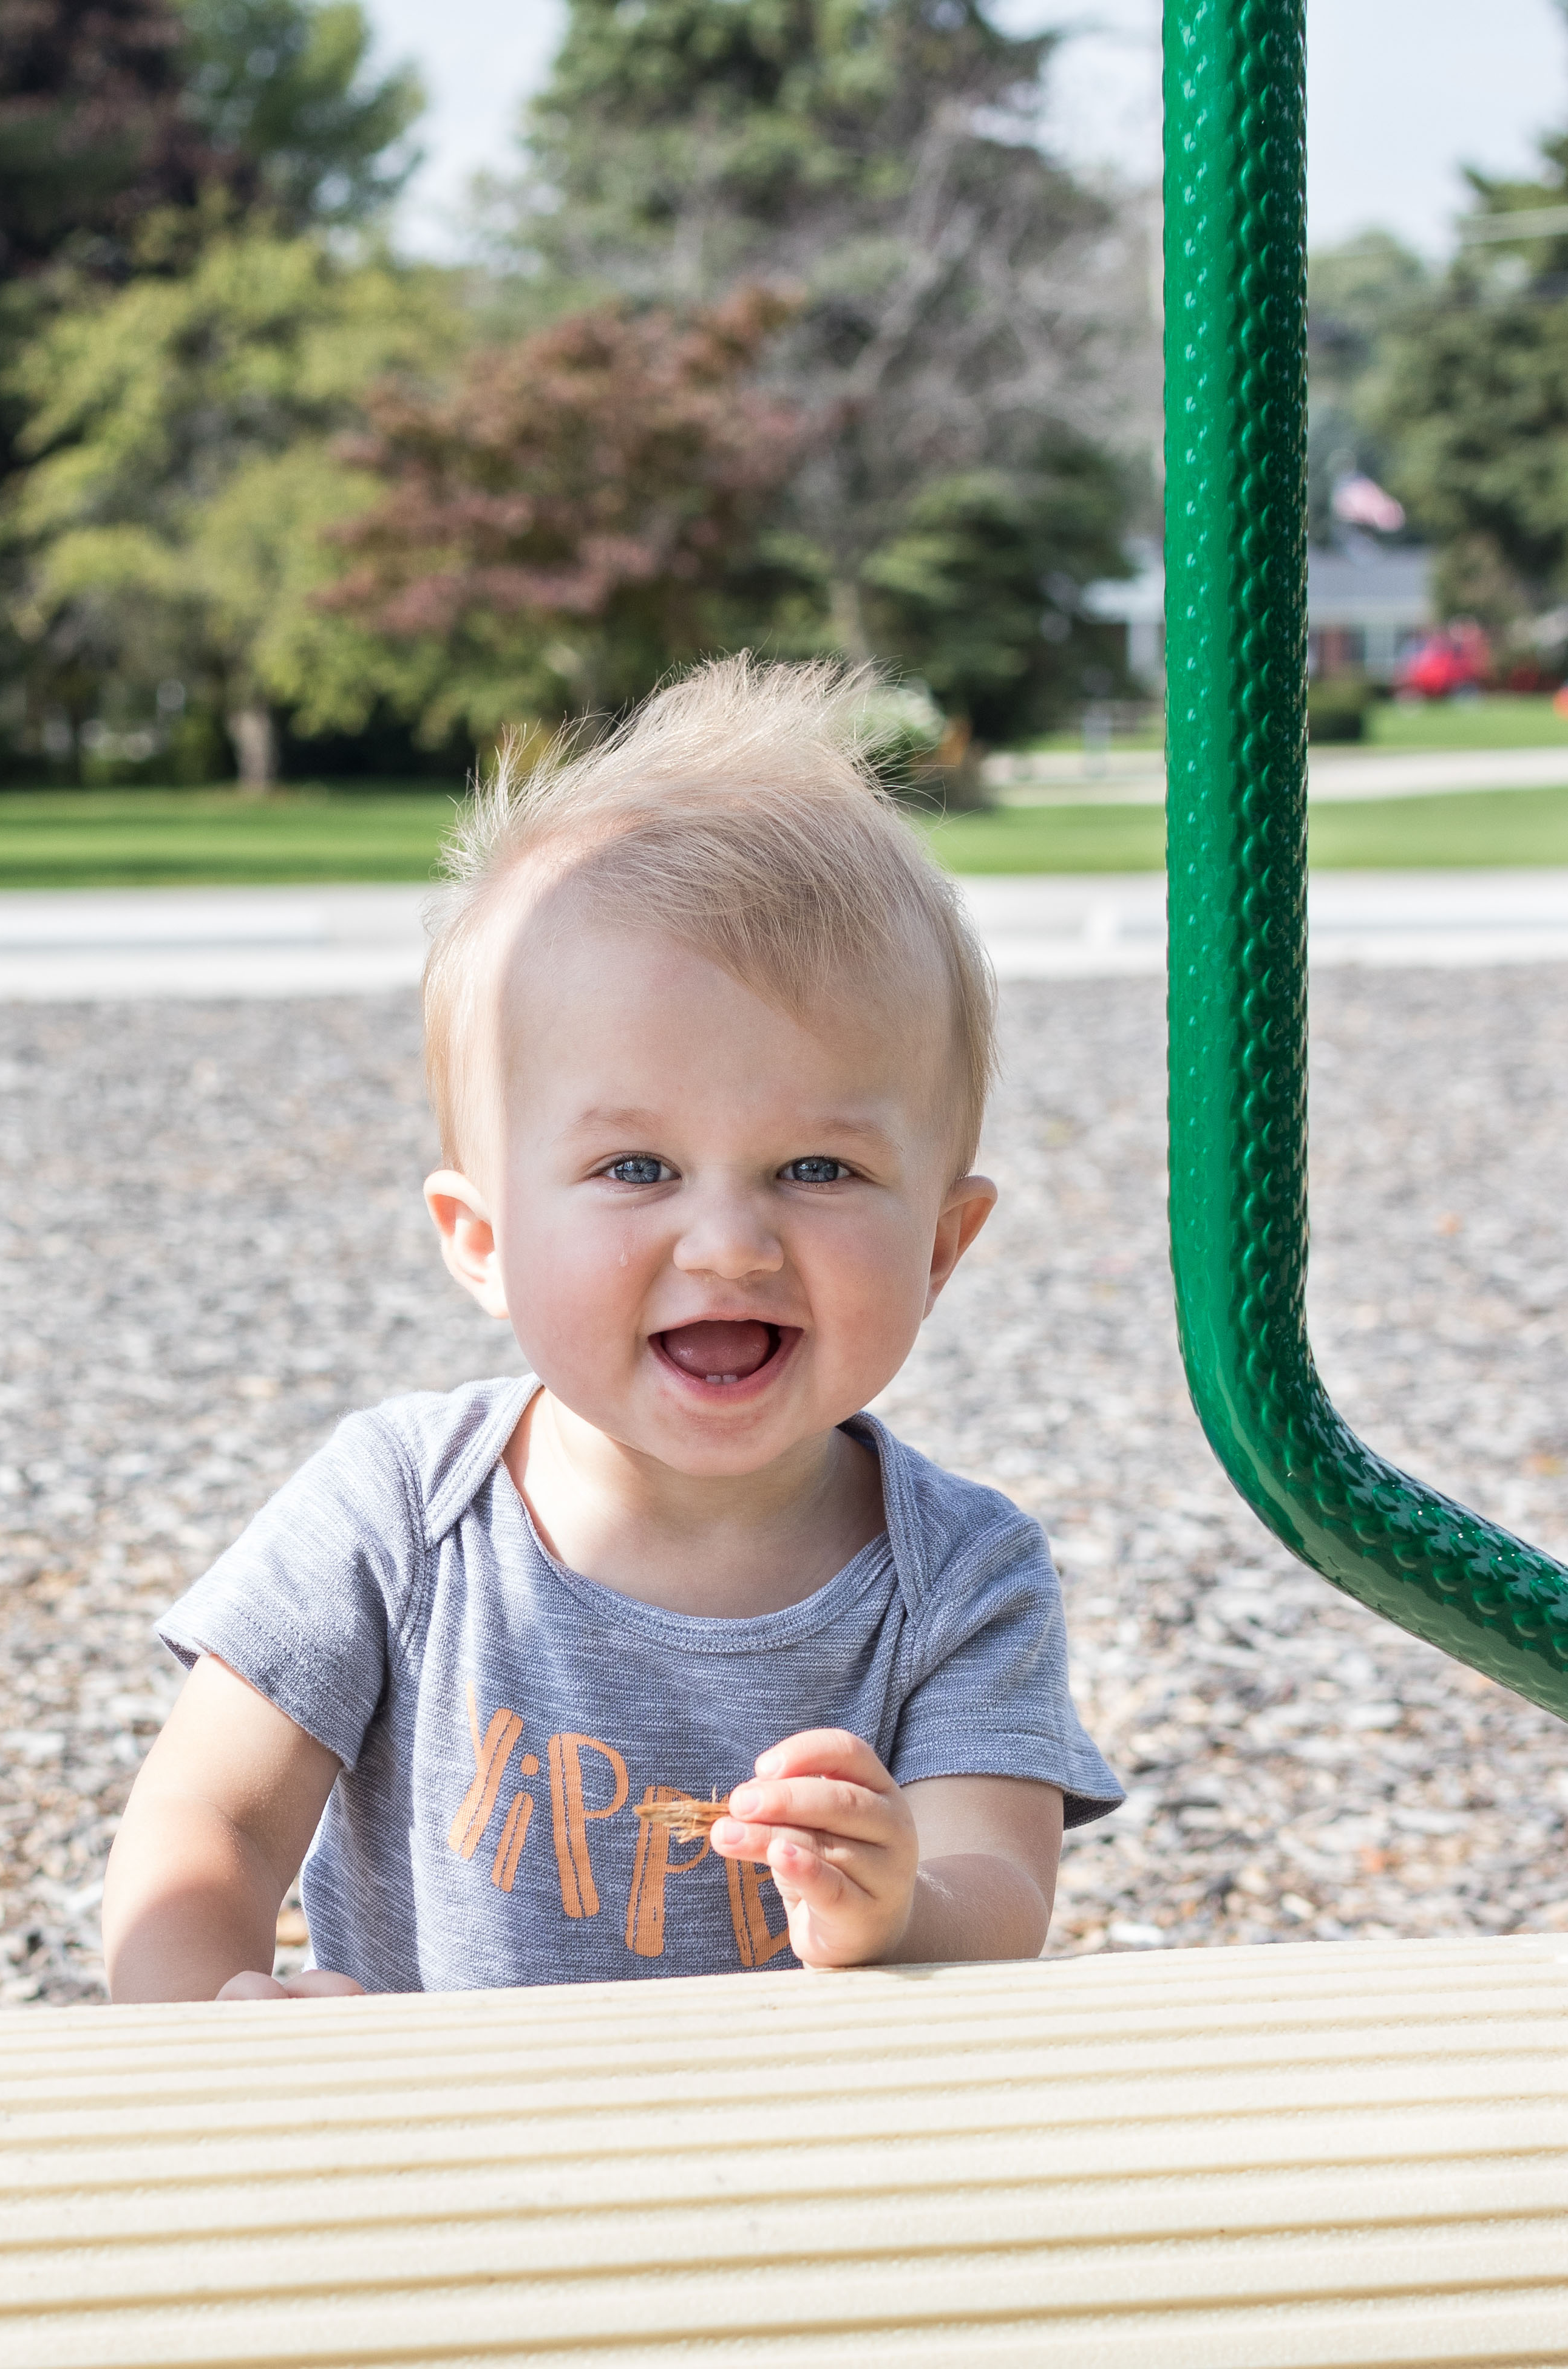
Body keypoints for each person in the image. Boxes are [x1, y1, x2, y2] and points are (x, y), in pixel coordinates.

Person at [102, 657, 1121, 2002]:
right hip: (462, 2180)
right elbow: (205, 1831)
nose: (728, 1243)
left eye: (816, 1169)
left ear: (938, 1247)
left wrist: (895, 1907)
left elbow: (994, 1886)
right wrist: (213, 2022)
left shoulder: (959, 1576)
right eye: (636, 1168)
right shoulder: (401, 1514)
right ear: (480, 1240)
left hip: (803, 2179)